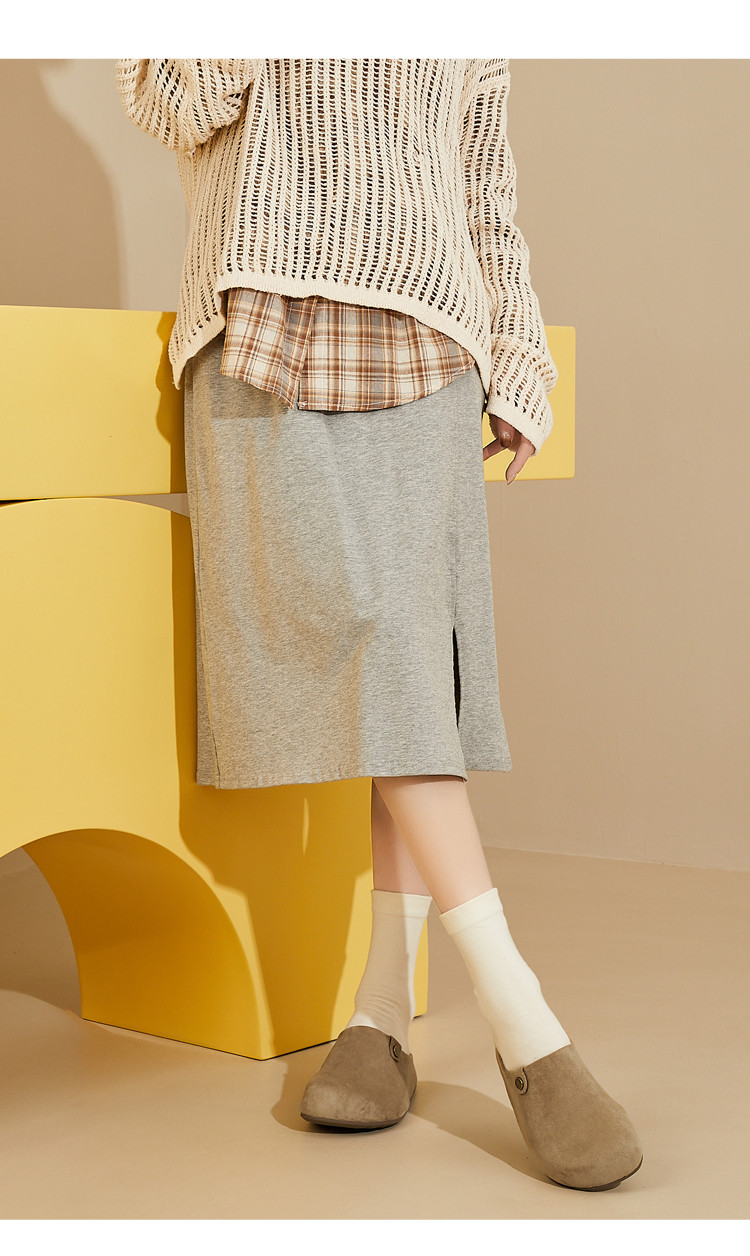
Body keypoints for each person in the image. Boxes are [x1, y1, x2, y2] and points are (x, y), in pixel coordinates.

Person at [116, 57, 642, 1191]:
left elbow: (484, 181)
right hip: (264, 327)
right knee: (375, 653)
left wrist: (518, 350)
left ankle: (379, 1019)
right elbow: (171, 99)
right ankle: (523, 1019)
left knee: (407, 667)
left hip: (431, 342)